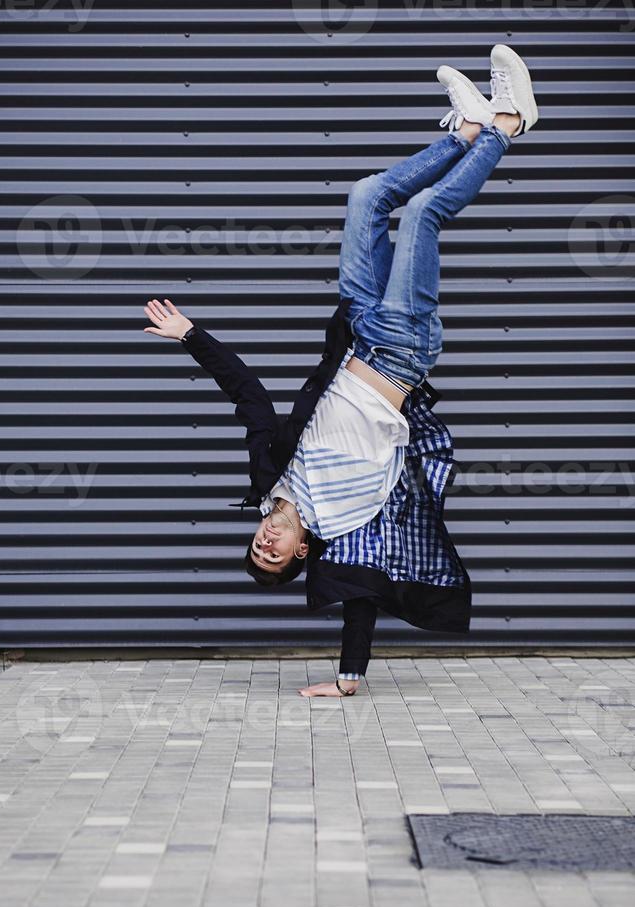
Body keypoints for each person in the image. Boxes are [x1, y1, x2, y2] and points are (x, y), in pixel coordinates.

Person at [143, 45, 538, 698]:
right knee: (420, 216)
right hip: (400, 350)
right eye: (272, 553)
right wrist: (347, 678)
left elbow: (246, 395)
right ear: (298, 554)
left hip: (357, 332)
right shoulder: (345, 526)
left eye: (255, 543)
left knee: (365, 197)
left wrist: (192, 336)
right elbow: (359, 599)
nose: (265, 538)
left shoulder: (272, 469)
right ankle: (506, 126)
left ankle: (464, 130)